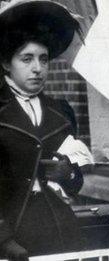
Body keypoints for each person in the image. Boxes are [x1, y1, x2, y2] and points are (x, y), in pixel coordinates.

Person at [0, 0, 89, 259]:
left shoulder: (61, 111)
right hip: (14, 238)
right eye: (26, 59)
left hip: (61, 232)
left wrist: (68, 174)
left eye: (44, 59)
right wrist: (4, 241)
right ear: (6, 63)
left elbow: (76, 184)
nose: (38, 68)